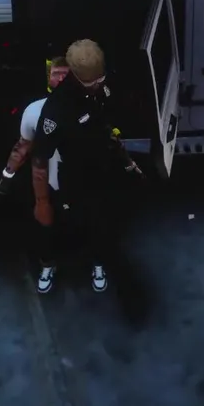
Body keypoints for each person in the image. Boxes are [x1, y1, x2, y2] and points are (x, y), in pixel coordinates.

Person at [28, 40, 142, 294]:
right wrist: (42, 201)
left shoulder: (101, 87)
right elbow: (39, 161)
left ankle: (98, 263)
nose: (100, 84)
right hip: (74, 176)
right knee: (60, 224)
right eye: (93, 82)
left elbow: (107, 126)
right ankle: (49, 264)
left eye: (101, 78)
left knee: (101, 221)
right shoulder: (56, 111)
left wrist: (126, 161)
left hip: (103, 168)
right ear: (77, 78)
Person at [0, 57, 70, 196]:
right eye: (56, 74)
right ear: (48, 78)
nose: (61, 79)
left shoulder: (93, 106)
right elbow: (21, 149)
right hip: (57, 187)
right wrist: (5, 179)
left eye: (65, 74)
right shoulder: (34, 110)